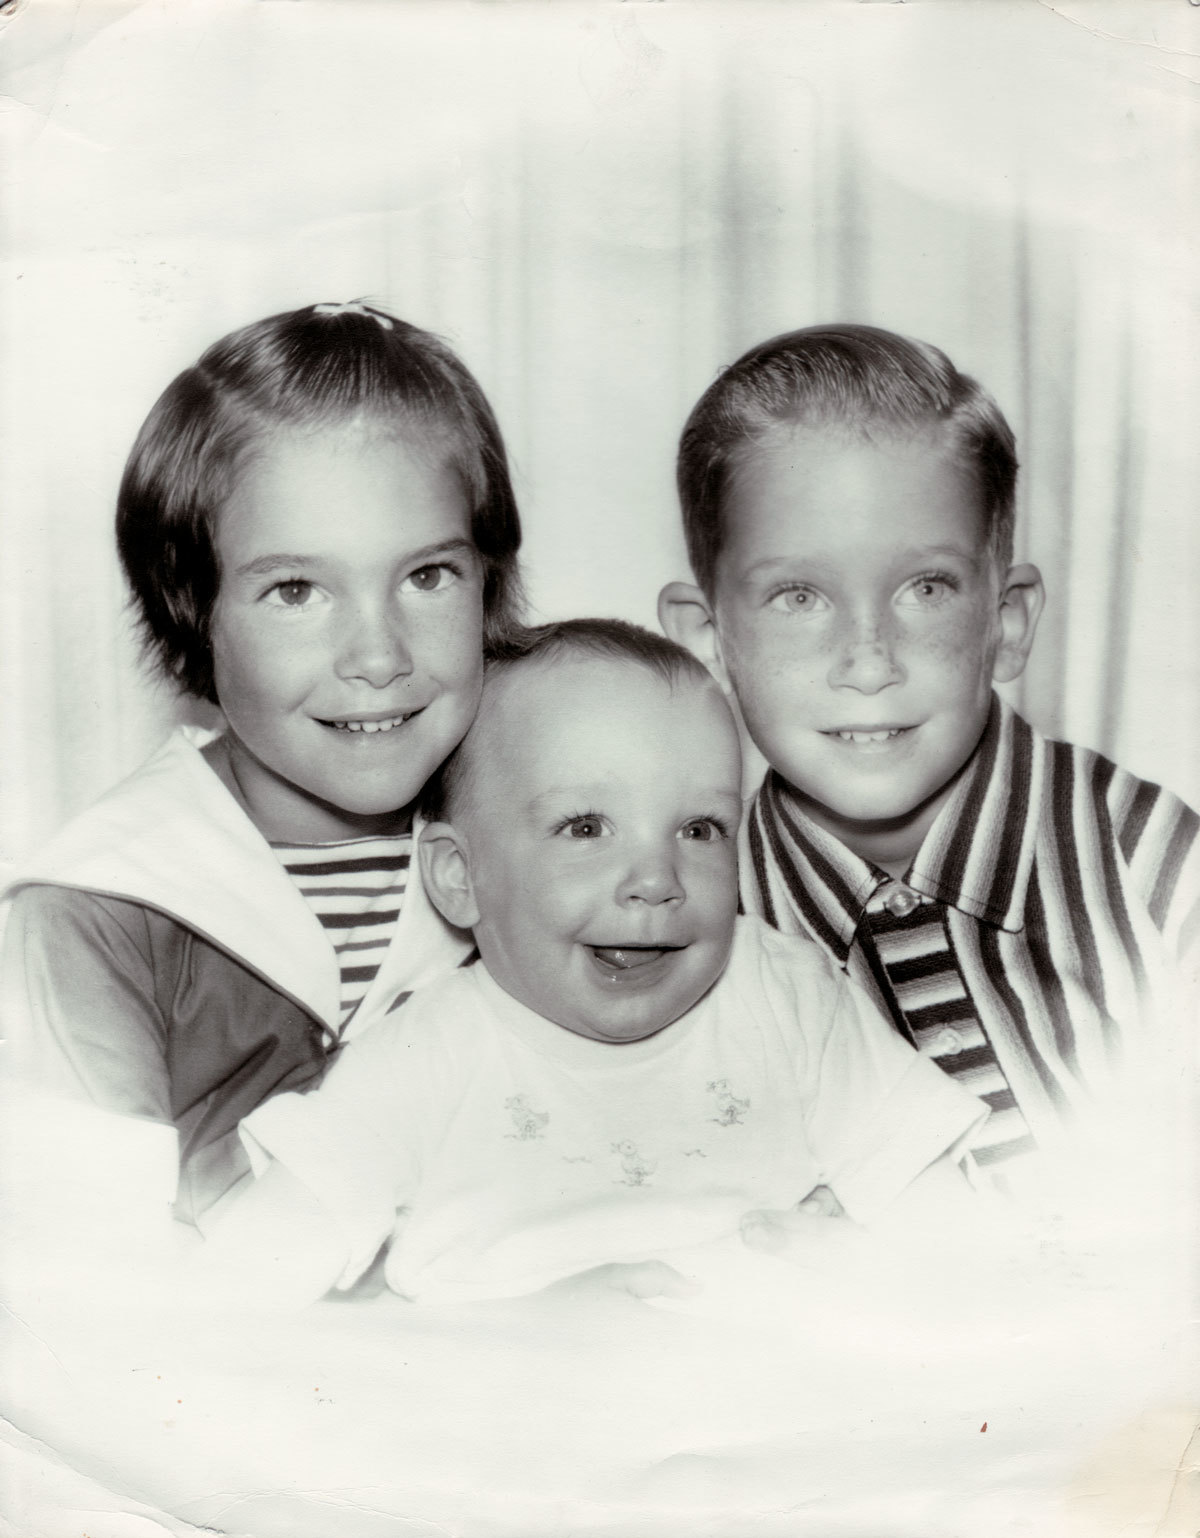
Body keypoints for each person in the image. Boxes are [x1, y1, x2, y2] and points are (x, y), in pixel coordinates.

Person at [196, 619, 986, 1310]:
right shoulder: (420, 1062)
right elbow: (235, 1293)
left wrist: (883, 1275)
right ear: (461, 877)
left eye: (700, 829)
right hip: (514, 1404)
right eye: (584, 828)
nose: (656, 879)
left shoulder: (788, 998)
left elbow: (956, 1236)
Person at [0, 300, 523, 1230]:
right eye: (296, 590)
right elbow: (93, 1270)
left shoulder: (539, 841)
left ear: (487, 581)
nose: (378, 656)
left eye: (427, 576)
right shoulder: (92, 916)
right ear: (191, 609)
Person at [659, 323, 1199, 1183]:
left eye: (925, 588)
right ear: (706, 641)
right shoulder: (689, 934)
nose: (869, 661)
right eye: (798, 596)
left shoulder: (1156, 865)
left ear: (1007, 623)